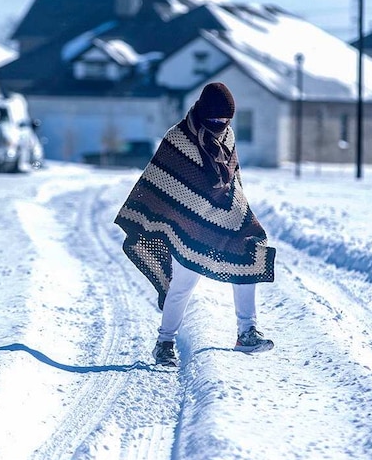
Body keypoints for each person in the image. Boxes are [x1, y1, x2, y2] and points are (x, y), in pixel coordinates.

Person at [115, 82, 276, 366]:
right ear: (203, 113)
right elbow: (161, 180)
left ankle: (247, 332)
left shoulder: (228, 135)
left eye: (225, 121)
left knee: (249, 256)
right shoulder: (178, 137)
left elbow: (233, 178)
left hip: (225, 218)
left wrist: (237, 209)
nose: (220, 125)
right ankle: (165, 343)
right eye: (215, 120)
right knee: (182, 285)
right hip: (187, 224)